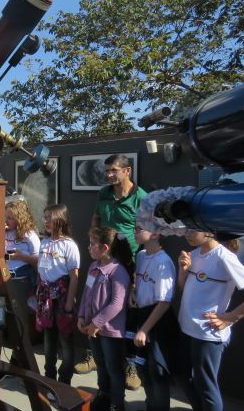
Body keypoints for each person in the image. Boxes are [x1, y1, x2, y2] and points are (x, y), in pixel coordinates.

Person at [82, 154, 146, 390]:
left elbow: (149, 229)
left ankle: (131, 365)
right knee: (96, 302)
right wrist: (93, 239)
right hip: (104, 258)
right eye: (107, 171)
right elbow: (96, 218)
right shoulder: (104, 193)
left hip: (130, 262)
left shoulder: (141, 197)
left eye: (114, 171)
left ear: (127, 170)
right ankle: (94, 354)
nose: (109, 175)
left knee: (128, 312)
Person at [177, 230, 244, 411]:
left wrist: (231, 318)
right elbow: (187, 290)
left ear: (209, 231)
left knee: (206, 387)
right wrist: (183, 272)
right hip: (188, 329)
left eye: (192, 229)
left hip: (207, 334)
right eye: (187, 229)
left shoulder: (224, 257)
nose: (187, 234)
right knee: (185, 377)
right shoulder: (195, 254)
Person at [77, 227, 133, 411]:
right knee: (100, 364)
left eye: (93, 244)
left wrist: (96, 323)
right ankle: (104, 395)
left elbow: (117, 303)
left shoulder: (118, 271)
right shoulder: (93, 267)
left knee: (113, 368)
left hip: (110, 331)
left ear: (105, 247)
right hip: (92, 329)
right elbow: (86, 293)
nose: (88, 247)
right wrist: (82, 316)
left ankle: (117, 403)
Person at [131, 224, 178, 411]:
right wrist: (132, 292)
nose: (135, 231)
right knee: (142, 367)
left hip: (157, 320)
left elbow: (164, 302)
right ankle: (150, 405)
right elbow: (138, 279)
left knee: (157, 370)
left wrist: (144, 330)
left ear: (156, 233)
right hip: (142, 315)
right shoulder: (141, 255)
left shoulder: (163, 262)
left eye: (140, 228)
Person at [36, 204, 80, 385]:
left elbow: (74, 277)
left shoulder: (69, 245)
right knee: (48, 342)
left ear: (60, 220)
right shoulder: (44, 242)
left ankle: (64, 382)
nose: (45, 221)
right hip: (45, 300)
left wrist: (69, 305)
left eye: (49, 217)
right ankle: (49, 379)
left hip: (62, 299)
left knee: (66, 342)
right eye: (44, 217)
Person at [5, 200, 40, 298]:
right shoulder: (4, 232)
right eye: (5, 217)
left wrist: (21, 256)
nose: (6, 221)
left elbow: (39, 260)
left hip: (20, 278)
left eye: (10, 218)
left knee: (19, 309)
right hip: (3, 276)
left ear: (19, 219)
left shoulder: (29, 235)